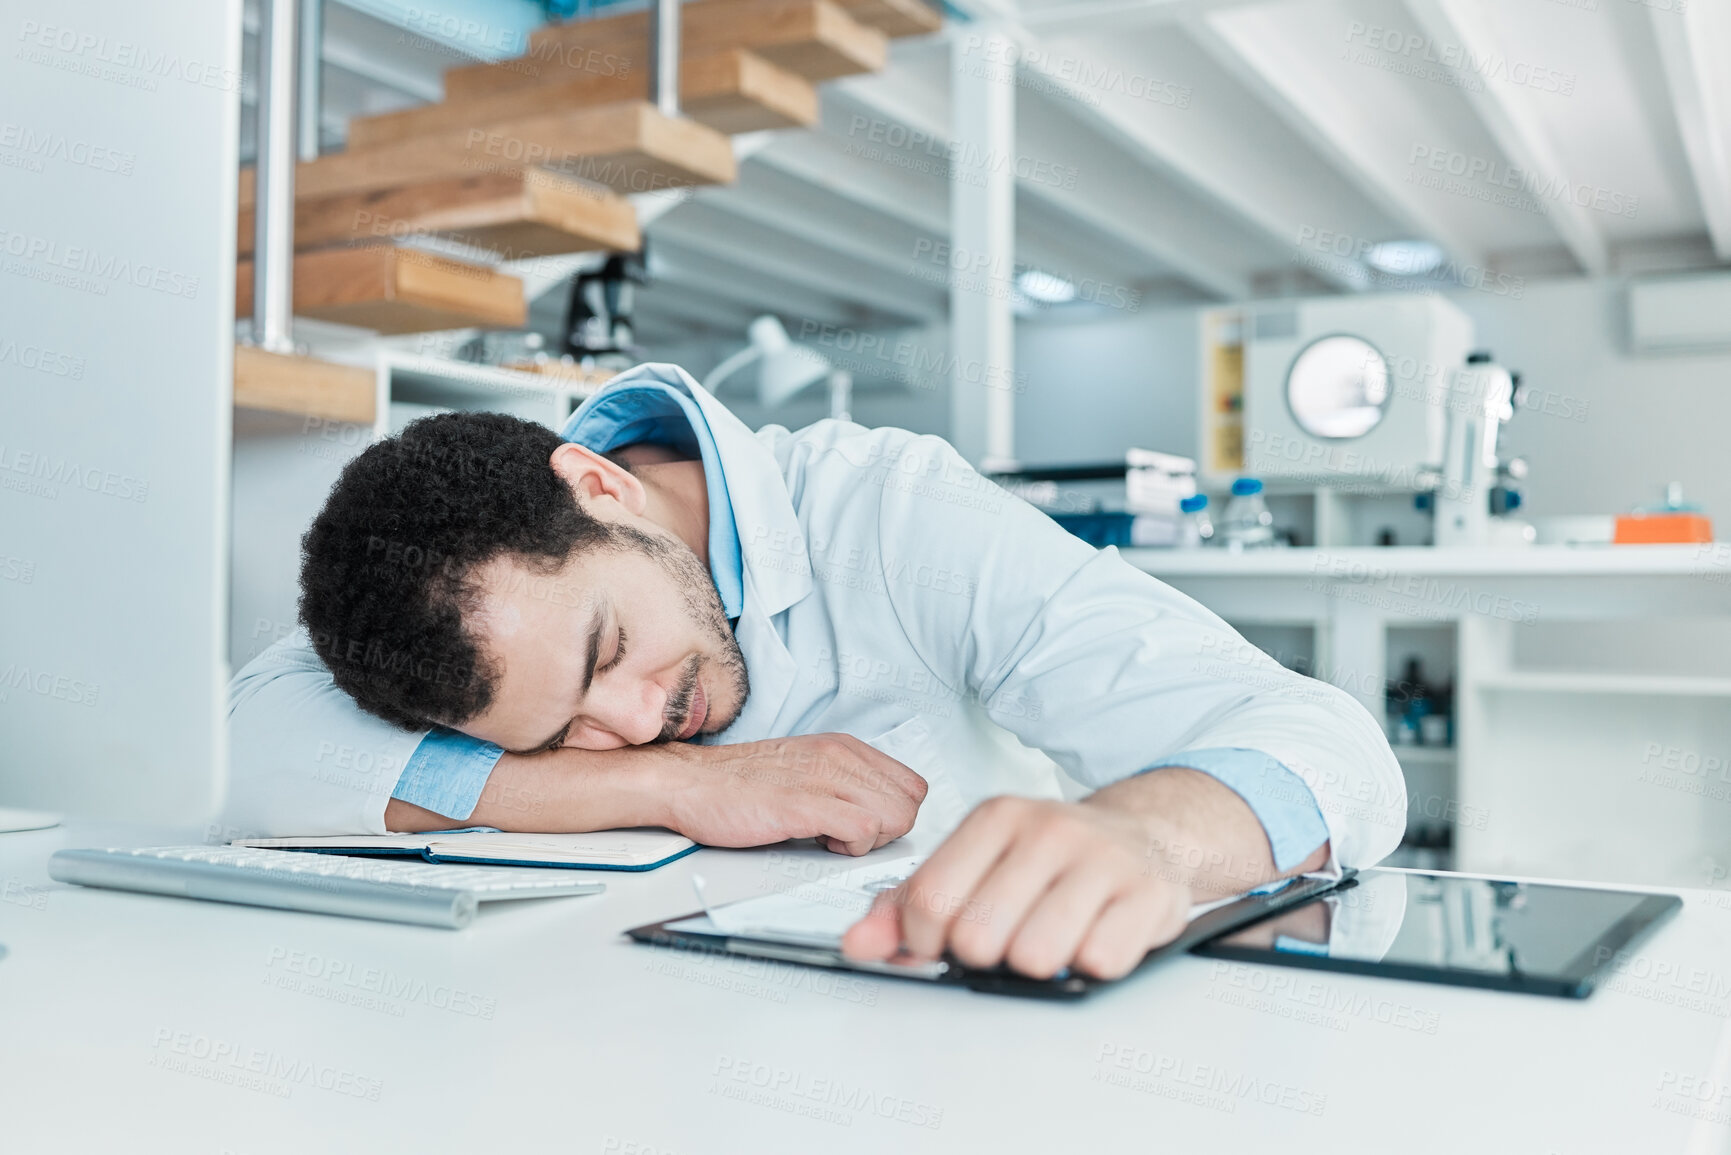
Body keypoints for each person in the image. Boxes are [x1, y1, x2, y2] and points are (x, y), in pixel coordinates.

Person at [227, 363, 1405, 980]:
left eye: (609, 654)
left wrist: (1150, 837)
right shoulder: (441, 600)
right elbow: (258, 746)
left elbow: (1331, 746)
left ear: (600, 486)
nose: (637, 722)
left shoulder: (889, 510)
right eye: (561, 734)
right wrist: (675, 786)